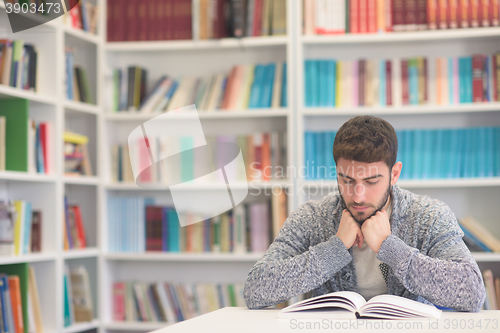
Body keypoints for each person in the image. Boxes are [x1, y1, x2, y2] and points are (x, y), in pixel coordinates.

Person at [243, 115, 486, 312]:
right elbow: (255, 290)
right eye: (347, 180)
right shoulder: (311, 218)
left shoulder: (428, 216)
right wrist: (334, 249)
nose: (358, 196)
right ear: (336, 172)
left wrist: (390, 247)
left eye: (371, 181)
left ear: (394, 174)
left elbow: (473, 293)